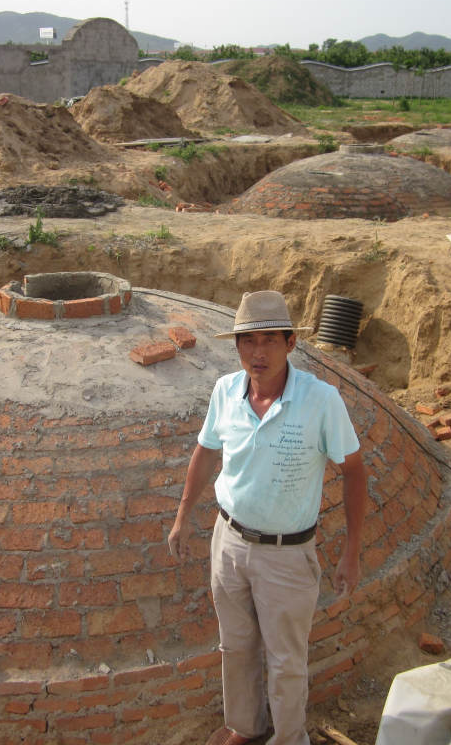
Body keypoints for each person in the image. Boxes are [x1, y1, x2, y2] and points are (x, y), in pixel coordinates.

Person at [168, 291, 366, 745]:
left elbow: (354, 472)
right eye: (248, 341)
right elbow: (206, 451)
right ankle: (245, 726)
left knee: (285, 660)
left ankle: (290, 738)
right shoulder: (225, 391)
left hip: (287, 554)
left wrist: (351, 552)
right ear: (237, 346)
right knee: (235, 647)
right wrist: (183, 516)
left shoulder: (321, 400)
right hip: (230, 542)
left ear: (291, 343)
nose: (258, 353)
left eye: (270, 341)